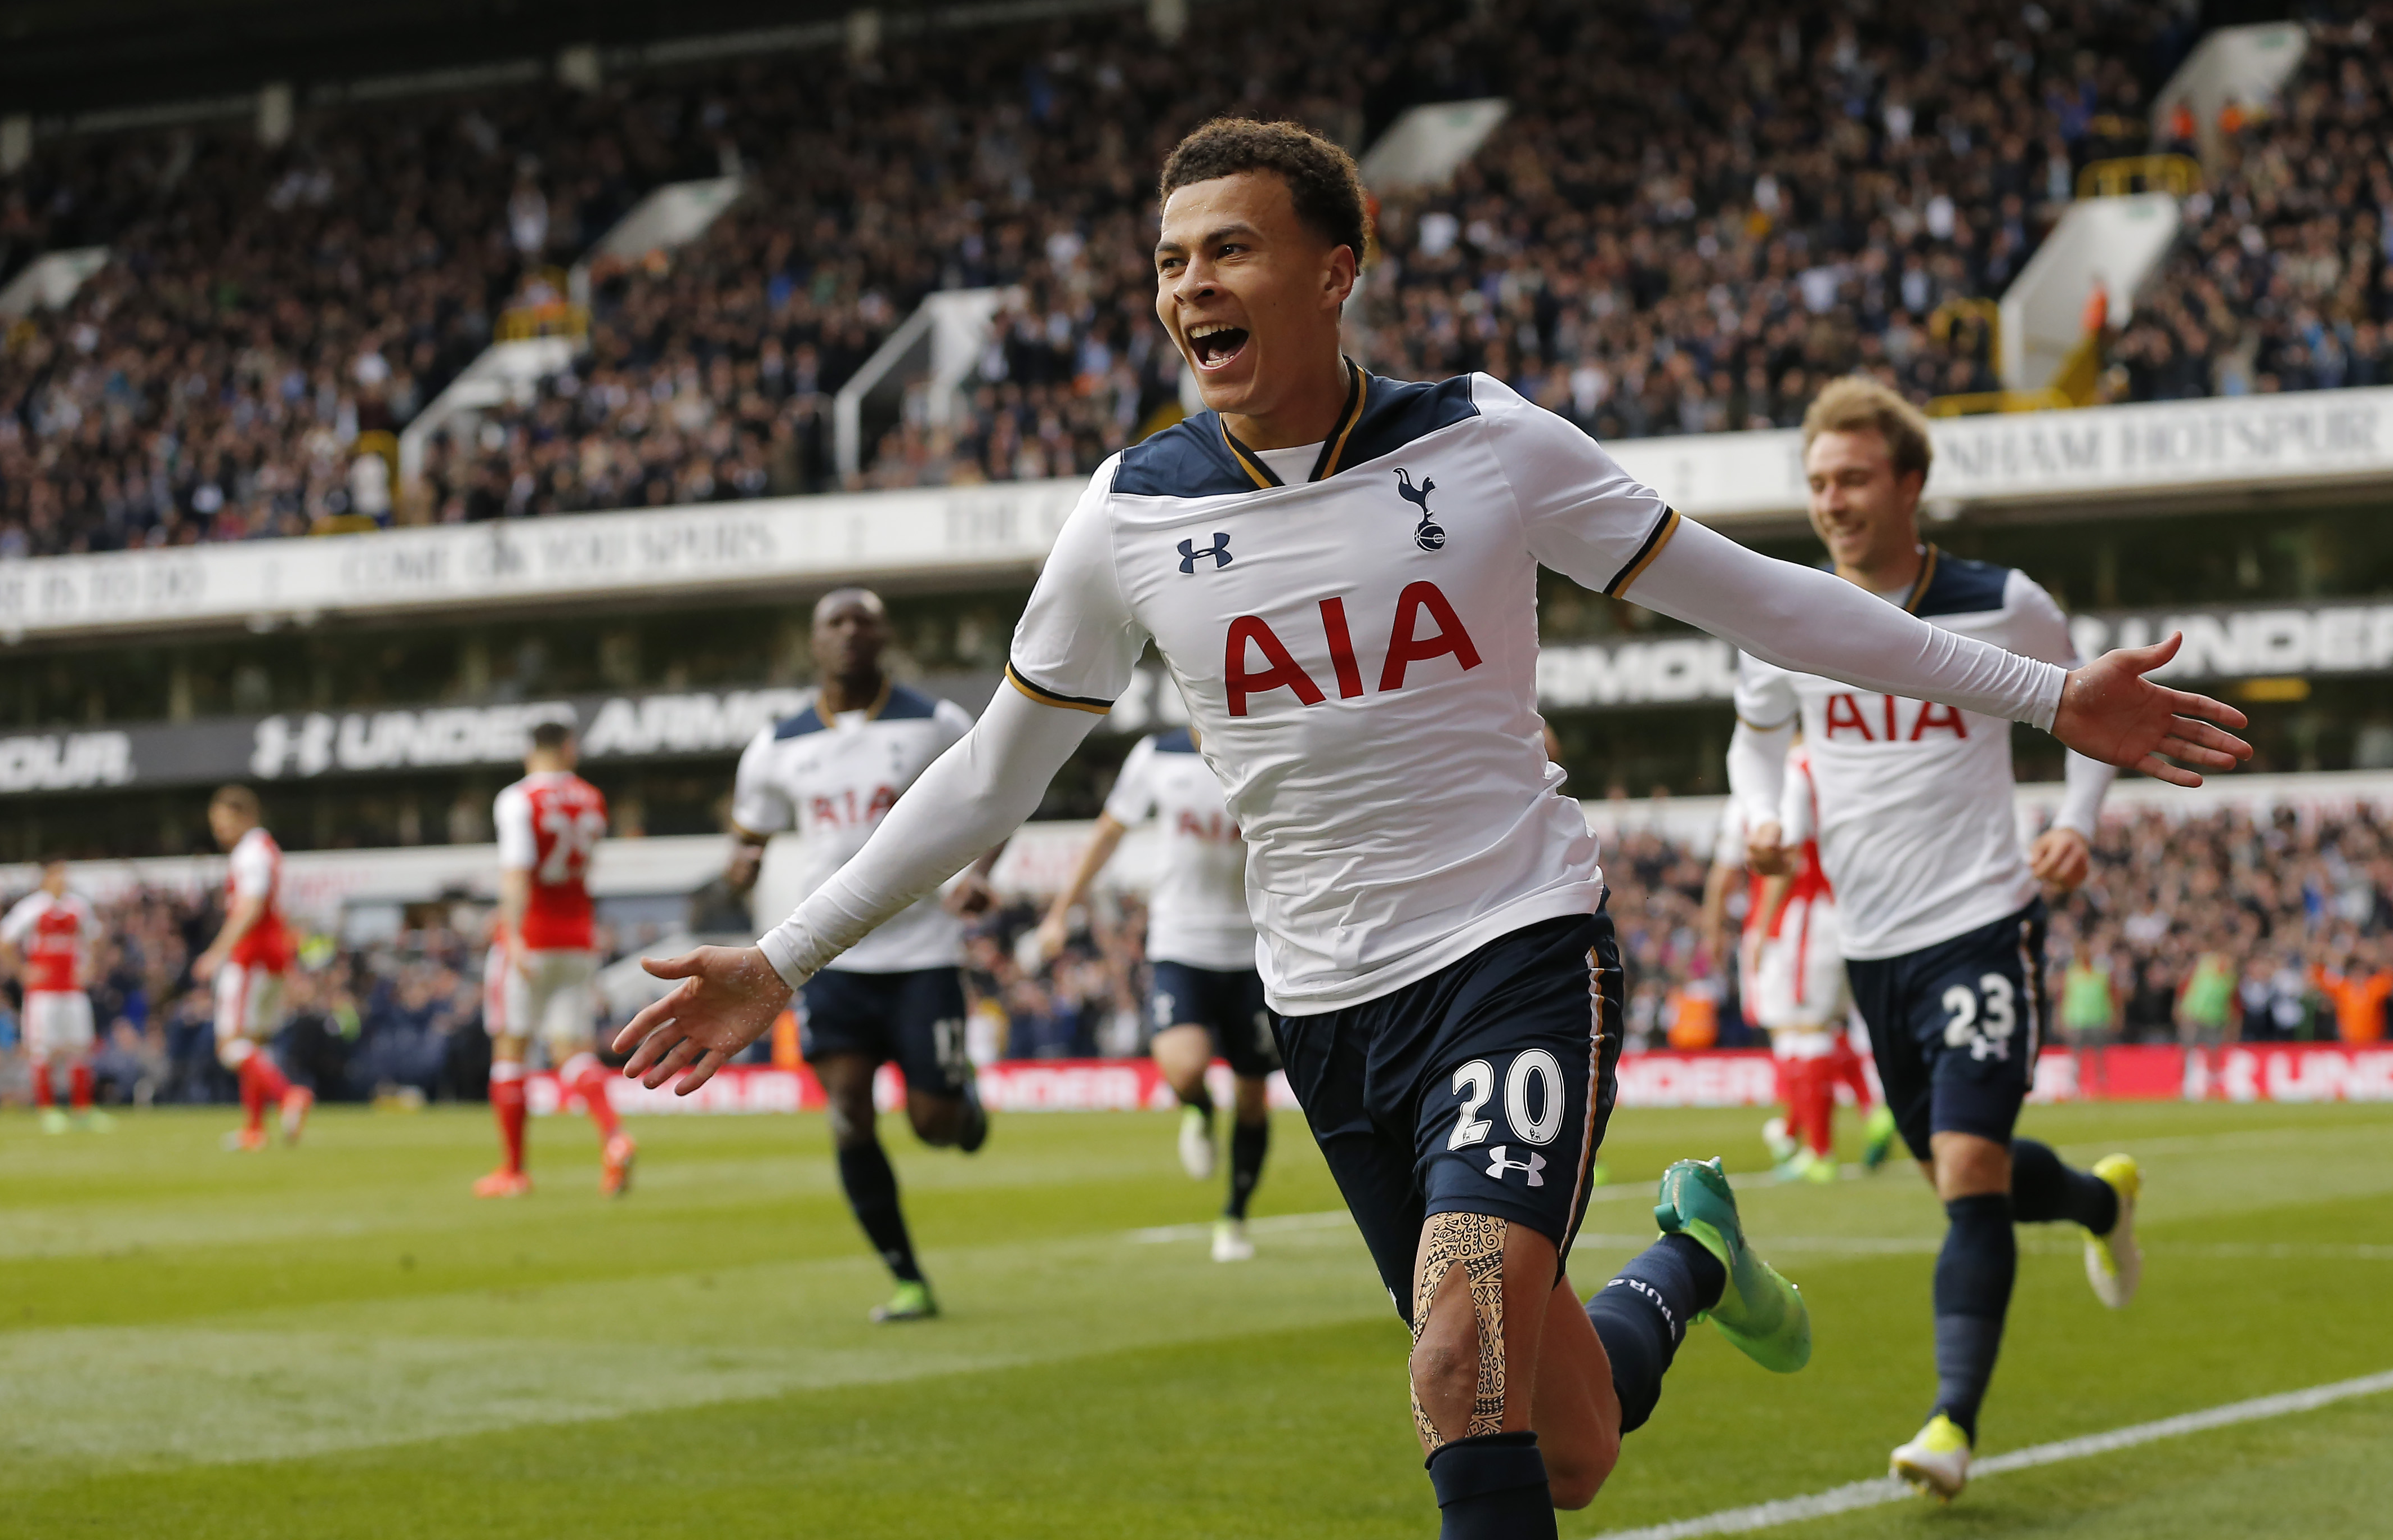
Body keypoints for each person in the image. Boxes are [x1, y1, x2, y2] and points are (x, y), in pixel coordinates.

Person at [614, 121, 2247, 1535]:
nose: (1188, 286)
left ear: (1338, 266)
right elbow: (988, 775)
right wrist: (778, 957)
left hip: (1514, 950)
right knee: (1563, 1443)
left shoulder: (1491, 446)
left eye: (1229, 249)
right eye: (1169, 260)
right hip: (1323, 1008)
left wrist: (2042, 701)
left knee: (1456, 1364)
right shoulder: (1127, 517)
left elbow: (1768, 606)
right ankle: (1688, 1261)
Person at [1730, 375, 2171, 1501]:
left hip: (1982, 916)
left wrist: (2075, 825)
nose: (1834, 500)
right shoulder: (1783, 615)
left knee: (1969, 1171)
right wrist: (1762, 816)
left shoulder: (1999, 601)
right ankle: (2098, 1202)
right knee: (1952, 1173)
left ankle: (1950, 1425)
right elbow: (1756, 741)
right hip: (1872, 944)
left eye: (1856, 478)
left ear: (1911, 483)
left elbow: (2090, 710)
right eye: (1819, 481)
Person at [722, 587, 995, 1324]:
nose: (849, 633)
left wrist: (980, 875)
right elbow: (751, 829)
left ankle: (962, 1111)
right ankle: (907, 1278)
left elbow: (997, 791)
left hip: (922, 953)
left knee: (933, 1126)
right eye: (834, 623)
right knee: (847, 1113)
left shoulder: (935, 721)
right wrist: (741, 862)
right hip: (829, 954)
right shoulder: (777, 743)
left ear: (886, 636)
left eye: (862, 621)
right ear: (814, 644)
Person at [1036, 726, 1279, 1263]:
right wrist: (1061, 911)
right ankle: (1196, 1108)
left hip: (1256, 949)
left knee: (1253, 1094)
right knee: (1185, 1069)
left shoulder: (1267, 738)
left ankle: (1234, 1215)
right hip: (1180, 942)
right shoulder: (1156, 755)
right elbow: (1109, 831)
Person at [476, 721, 633, 1198]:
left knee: (510, 1049)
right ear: (570, 749)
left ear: (531, 751)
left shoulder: (519, 799)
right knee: (573, 1051)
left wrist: (514, 934)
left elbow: (517, 872)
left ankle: (514, 1170)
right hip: (578, 936)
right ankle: (614, 1137)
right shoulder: (592, 799)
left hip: (534, 936)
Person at [1752, 745, 1894, 1180]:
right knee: (1825, 1025)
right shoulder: (1857, 759)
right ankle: (1856, 1117)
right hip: (1853, 909)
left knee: (1804, 1026)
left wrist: (1762, 924)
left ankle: (1818, 1150)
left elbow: (1790, 857)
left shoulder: (1802, 767)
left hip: (1814, 913)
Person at [192, 786, 313, 1150]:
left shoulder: (251, 854)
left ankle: (288, 1095)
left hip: (251, 958)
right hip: (272, 957)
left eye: (225, 822)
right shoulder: (267, 850)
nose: (220, 831)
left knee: (231, 1044)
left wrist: (216, 952)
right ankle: (254, 1129)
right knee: (256, 1043)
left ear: (245, 817)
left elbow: (251, 908)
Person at [0, 859, 107, 1132]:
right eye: (57, 875)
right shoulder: (32, 908)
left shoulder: (77, 907)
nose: (62, 880)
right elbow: (4, 940)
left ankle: (83, 1109)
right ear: (46, 879)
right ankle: (48, 1110)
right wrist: (23, 972)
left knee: (80, 1047)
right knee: (42, 1049)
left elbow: (95, 936)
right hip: (43, 993)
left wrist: (90, 965)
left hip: (72, 990)